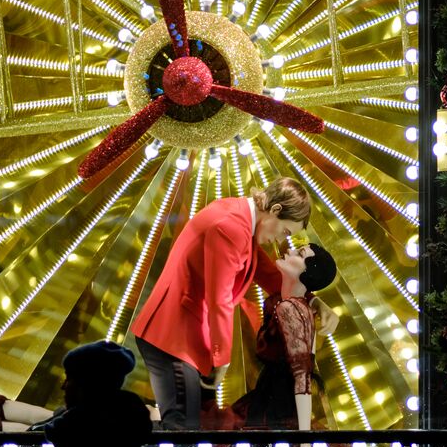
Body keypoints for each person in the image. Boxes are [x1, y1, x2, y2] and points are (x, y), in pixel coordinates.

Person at [130, 178, 312, 430]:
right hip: (171, 335)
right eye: (285, 232)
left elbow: (265, 271)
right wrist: (222, 358)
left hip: (180, 334)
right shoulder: (231, 227)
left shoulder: (241, 219)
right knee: (182, 429)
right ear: (276, 210)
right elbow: (220, 299)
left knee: (187, 427)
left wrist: (311, 300)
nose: (279, 240)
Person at [236, 243, 339, 447]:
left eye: (299, 253)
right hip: (271, 392)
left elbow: (303, 375)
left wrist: (304, 438)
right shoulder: (282, 303)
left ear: (308, 272)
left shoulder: (289, 308)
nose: (288, 249)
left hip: (278, 400)